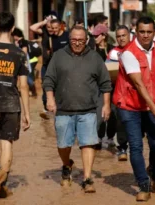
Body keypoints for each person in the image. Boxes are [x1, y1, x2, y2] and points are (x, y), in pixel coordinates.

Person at [43, 26, 112, 193]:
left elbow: (106, 84)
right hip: (63, 110)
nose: (77, 43)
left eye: (81, 40)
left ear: (87, 40)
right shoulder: (59, 56)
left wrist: (106, 105)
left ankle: (87, 178)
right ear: (69, 39)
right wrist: (50, 99)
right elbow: (49, 80)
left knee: (88, 143)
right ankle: (67, 164)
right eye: (74, 40)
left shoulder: (95, 58)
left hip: (88, 109)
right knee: (63, 145)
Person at [113, 16, 155, 201]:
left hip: (152, 103)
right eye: (142, 32)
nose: (145, 35)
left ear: (154, 32)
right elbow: (139, 84)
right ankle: (143, 185)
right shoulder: (128, 53)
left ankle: (154, 172)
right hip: (130, 105)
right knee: (135, 146)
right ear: (136, 32)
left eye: (149, 32)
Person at [0, 11, 31, 198]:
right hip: (12, 104)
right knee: (7, 143)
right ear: (12, 28)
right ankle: (1, 181)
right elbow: (24, 86)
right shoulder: (19, 54)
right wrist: (27, 113)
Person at [106, 25, 131, 161]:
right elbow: (109, 71)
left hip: (134, 91)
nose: (121, 38)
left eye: (123, 35)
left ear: (129, 36)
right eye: (119, 36)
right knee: (119, 118)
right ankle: (122, 147)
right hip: (117, 91)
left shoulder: (135, 49)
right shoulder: (113, 53)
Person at [29, 15, 57, 119]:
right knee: (45, 85)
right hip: (45, 64)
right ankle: (46, 107)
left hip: (56, 65)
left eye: (52, 26)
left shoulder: (58, 35)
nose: (50, 29)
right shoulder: (44, 32)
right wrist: (44, 22)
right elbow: (32, 28)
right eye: (48, 26)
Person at [12, 28, 38, 97]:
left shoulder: (22, 41)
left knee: (27, 77)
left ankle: (33, 89)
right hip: (19, 62)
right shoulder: (18, 42)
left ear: (15, 35)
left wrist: (17, 48)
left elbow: (24, 53)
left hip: (24, 62)